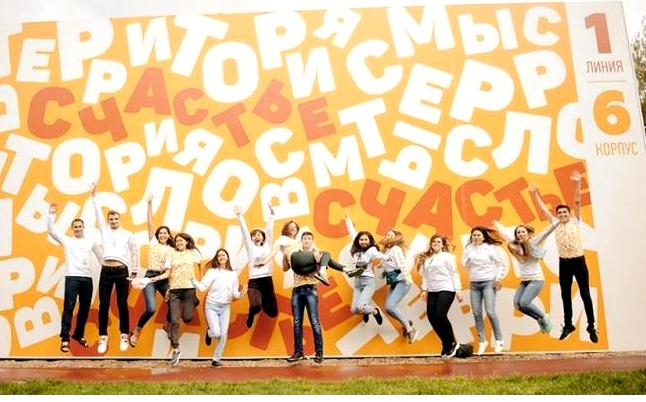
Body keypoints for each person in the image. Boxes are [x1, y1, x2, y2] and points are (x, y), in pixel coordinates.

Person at [529, 171, 598, 343]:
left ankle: (591, 326)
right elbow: (543, 210)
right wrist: (535, 194)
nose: (562, 215)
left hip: (579, 261)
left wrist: (577, 183)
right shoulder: (555, 224)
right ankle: (568, 325)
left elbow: (577, 202)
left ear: (569, 213)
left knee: (585, 293)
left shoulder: (576, 221)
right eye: (559, 213)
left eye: (565, 212)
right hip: (564, 263)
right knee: (565, 294)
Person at [91, 183, 139, 354]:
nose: (113, 221)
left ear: (120, 219)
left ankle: (124, 335)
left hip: (121, 271)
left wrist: (134, 270)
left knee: (122, 303)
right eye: (111, 219)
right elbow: (98, 214)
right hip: (106, 270)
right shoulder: (104, 230)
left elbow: (134, 252)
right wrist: (94, 196)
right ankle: (103, 337)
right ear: (108, 221)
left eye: (116, 219)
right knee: (103, 304)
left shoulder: (128, 234)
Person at [47, 203, 101, 353]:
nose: (78, 229)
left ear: (83, 227)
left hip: (87, 278)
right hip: (72, 277)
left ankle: (78, 334)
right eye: (75, 227)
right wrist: (51, 215)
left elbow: (101, 257)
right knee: (69, 307)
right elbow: (52, 231)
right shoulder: (67, 240)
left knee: (84, 308)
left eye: (79, 226)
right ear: (72, 229)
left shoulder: (90, 241)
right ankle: (65, 338)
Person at [493, 219, 558, 335]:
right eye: (518, 232)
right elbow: (505, 233)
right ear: (516, 235)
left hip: (536, 280)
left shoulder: (534, 242)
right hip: (525, 281)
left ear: (527, 233)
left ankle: (544, 317)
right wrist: (496, 224)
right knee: (517, 304)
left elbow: (545, 233)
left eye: (523, 232)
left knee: (524, 302)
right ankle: (540, 320)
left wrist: (555, 223)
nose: (521, 234)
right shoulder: (515, 245)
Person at [148, 232, 201, 366]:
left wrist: (198, 286)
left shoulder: (194, 253)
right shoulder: (171, 254)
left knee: (187, 318)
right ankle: (176, 348)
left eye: (181, 241)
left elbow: (198, 269)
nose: (179, 243)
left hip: (189, 289)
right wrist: (155, 278)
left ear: (187, 242)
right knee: (174, 320)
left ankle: (194, 301)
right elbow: (167, 273)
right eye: (177, 241)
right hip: (174, 291)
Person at [129, 194, 175, 347]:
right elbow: (150, 223)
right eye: (160, 232)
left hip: (164, 279)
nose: (162, 234)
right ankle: (137, 330)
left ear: (168, 235)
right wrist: (149, 203)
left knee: (174, 303)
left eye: (165, 233)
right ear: (157, 235)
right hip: (150, 278)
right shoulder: (153, 242)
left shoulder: (172, 249)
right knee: (151, 308)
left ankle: (167, 324)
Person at [192, 248, 245, 367]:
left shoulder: (233, 274)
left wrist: (241, 294)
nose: (221, 257)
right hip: (211, 306)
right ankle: (209, 332)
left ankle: (216, 359)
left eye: (223, 255)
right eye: (219, 256)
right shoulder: (212, 272)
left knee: (223, 335)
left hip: (225, 307)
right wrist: (192, 280)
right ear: (217, 258)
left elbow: (234, 293)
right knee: (216, 333)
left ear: (227, 257)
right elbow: (202, 288)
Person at [462, 226, 507, 355]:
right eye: (474, 235)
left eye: (478, 235)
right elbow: (464, 264)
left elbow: (500, 264)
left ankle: (499, 340)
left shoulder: (489, 248)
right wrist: (469, 258)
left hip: (488, 282)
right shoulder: (468, 249)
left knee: (490, 311)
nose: (476, 237)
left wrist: (498, 278)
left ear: (483, 237)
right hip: (474, 284)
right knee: (477, 313)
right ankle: (482, 341)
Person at [415, 234, 462, 358]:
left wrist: (458, 290)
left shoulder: (448, 257)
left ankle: (453, 342)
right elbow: (425, 276)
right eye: (434, 242)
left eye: (438, 242)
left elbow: (454, 273)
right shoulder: (428, 259)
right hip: (432, 290)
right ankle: (445, 343)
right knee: (432, 316)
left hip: (446, 288)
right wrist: (424, 290)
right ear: (431, 244)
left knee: (440, 315)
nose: (436, 244)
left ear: (442, 245)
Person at [234, 204, 277, 328]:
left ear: (263, 237)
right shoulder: (250, 247)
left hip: (267, 280)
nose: (256, 236)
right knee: (255, 306)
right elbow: (244, 232)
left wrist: (272, 215)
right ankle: (251, 314)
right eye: (254, 235)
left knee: (273, 313)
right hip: (254, 280)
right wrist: (239, 216)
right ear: (251, 238)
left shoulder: (267, 245)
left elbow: (269, 231)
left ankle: (263, 300)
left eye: (259, 234)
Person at [285, 231, 324, 363]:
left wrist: (317, 262)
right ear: (301, 241)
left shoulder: (316, 253)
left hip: (311, 288)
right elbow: (285, 268)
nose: (306, 240)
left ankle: (319, 352)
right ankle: (298, 352)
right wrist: (284, 254)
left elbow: (319, 272)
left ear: (312, 241)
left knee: (314, 321)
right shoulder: (295, 254)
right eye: (304, 238)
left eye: (309, 238)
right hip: (297, 289)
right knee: (297, 322)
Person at [345, 213, 386, 325]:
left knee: (360, 306)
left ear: (370, 241)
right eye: (361, 239)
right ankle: (366, 311)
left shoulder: (371, 250)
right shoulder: (356, 250)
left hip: (368, 282)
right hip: (357, 282)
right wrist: (347, 219)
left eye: (366, 239)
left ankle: (375, 311)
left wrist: (388, 258)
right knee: (354, 310)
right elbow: (352, 232)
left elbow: (380, 255)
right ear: (358, 241)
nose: (363, 241)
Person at [378, 229, 418, 343]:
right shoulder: (386, 250)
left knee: (390, 306)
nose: (388, 236)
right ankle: (406, 323)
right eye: (387, 234)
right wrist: (384, 272)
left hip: (403, 281)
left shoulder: (396, 249)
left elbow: (403, 265)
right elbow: (390, 265)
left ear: (395, 237)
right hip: (394, 282)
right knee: (388, 308)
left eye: (391, 235)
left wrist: (406, 278)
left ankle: (410, 329)